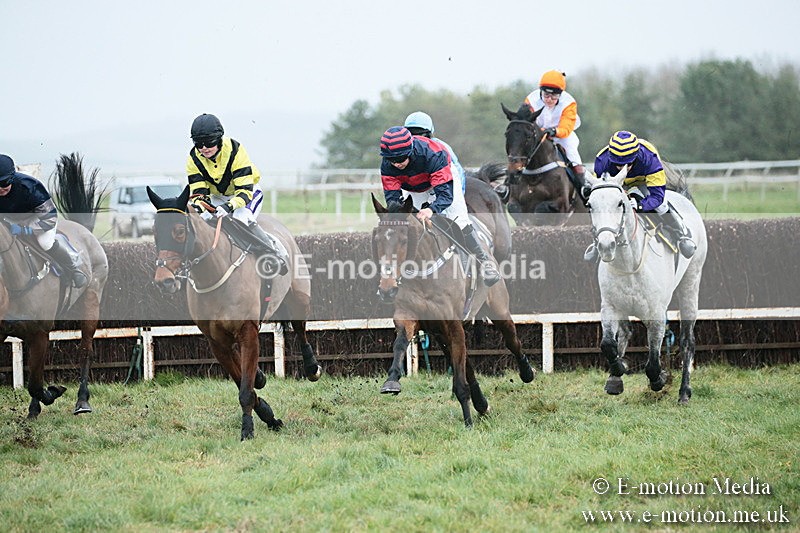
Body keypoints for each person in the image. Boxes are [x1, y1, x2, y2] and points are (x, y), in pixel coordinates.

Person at [379, 126, 500, 286]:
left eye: (401, 158)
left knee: (459, 220)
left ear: (410, 150)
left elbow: (445, 195)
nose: (397, 164)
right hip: (413, 187)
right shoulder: (388, 165)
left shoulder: (433, 154)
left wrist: (431, 209)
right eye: (392, 160)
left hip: (443, 180)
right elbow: (393, 199)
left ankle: (485, 262)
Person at [185, 113, 287, 275]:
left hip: (248, 193)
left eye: (209, 142)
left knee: (240, 219)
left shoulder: (235, 151)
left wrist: (228, 206)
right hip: (219, 197)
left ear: (219, 139)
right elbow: (199, 194)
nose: (204, 148)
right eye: (199, 143)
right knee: (203, 222)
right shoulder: (193, 159)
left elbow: (244, 192)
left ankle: (272, 254)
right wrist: (196, 207)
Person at [586, 130, 697, 261]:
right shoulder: (602, 161)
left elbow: (657, 196)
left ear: (635, 157)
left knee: (661, 205)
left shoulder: (650, 159)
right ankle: (597, 242)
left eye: (626, 164)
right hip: (616, 184)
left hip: (643, 181)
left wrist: (640, 205)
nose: (622, 168)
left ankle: (681, 233)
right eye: (617, 164)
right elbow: (601, 194)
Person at [0, 154, 88, 288]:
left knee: (45, 243)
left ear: (12, 178)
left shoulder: (30, 187)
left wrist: (26, 230)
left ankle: (73, 269)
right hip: (9, 219)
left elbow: (50, 218)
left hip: (39, 218)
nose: (0, 188)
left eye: (4, 183)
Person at [523, 69, 590, 199]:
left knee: (571, 150)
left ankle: (583, 185)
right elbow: (526, 122)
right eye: (546, 95)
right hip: (539, 133)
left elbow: (566, 127)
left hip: (563, 134)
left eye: (554, 96)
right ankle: (511, 182)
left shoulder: (569, 102)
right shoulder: (530, 100)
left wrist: (554, 131)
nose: (549, 99)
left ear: (560, 94)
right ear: (540, 91)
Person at [403, 111, 466, 195]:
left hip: (440, 185)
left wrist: (460, 192)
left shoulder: (441, 147)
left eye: (419, 134)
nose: (416, 139)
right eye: (412, 134)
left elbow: (457, 169)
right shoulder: (402, 147)